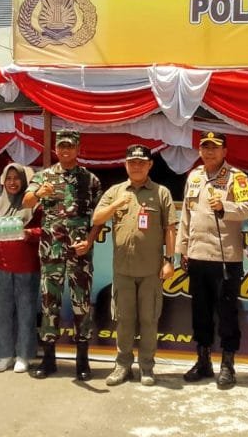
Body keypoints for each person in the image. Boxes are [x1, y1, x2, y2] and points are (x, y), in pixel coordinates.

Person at [176, 131, 248, 390]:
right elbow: (186, 215)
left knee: (227, 313)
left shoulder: (237, 177)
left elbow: (247, 209)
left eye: (215, 148)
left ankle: (228, 364)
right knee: (200, 312)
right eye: (205, 147)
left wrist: (224, 207)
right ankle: (203, 360)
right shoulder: (194, 176)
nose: (209, 152)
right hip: (197, 255)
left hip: (225, 258)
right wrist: (182, 249)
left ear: (225, 152)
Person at [92, 145, 174, 387]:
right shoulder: (116, 191)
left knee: (149, 320)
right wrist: (117, 204)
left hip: (151, 271)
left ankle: (147, 367)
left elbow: (170, 229)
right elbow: (96, 219)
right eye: (132, 162)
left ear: (150, 165)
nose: (136, 166)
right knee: (124, 320)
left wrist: (170, 260)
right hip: (123, 271)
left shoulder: (161, 193)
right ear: (126, 165)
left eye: (141, 162)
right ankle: (122, 365)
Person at [23, 129, 102, 380]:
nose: (65, 150)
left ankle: (82, 360)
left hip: (79, 253)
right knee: (49, 304)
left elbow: (99, 218)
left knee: (81, 305)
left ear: (78, 149)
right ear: (56, 148)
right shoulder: (44, 177)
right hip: (51, 251)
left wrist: (89, 241)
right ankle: (48, 359)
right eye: (61, 146)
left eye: (70, 146)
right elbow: (26, 201)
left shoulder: (91, 180)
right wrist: (38, 194)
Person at [0, 163, 42, 374]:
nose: (12, 182)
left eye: (17, 178)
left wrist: (29, 234)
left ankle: (24, 355)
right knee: (1, 311)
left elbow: (45, 231)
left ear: (25, 182)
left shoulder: (35, 205)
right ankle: (4, 354)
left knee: (26, 312)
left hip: (27, 266)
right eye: (8, 178)